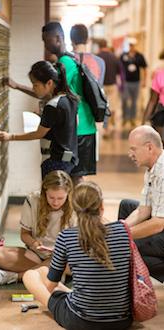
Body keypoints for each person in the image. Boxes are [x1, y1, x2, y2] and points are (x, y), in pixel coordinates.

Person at [23, 181, 132, 330]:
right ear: (101, 206)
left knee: (30, 276)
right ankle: (75, 294)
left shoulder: (66, 237)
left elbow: (50, 286)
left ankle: (72, 296)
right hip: (122, 320)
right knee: (43, 271)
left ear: (74, 208)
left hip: (80, 320)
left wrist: (50, 297)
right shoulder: (123, 231)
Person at [0, 170, 77, 285]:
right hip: (35, 255)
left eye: (60, 198)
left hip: (62, 258)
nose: (55, 202)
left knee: (72, 262)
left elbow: (77, 244)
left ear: (68, 194)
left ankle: (16, 276)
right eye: (51, 197)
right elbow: (24, 234)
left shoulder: (75, 206)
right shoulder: (32, 200)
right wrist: (34, 243)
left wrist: (61, 250)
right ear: (44, 192)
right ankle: (52, 274)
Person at [0, 60, 78, 179]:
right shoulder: (70, 99)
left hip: (54, 161)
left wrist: (11, 137)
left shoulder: (52, 105)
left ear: (49, 83)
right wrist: (18, 86)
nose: (34, 88)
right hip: (69, 159)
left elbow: (39, 133)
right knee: (61, 195)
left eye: (36, 85)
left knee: (50, 196)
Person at [42, 22, 99, 184]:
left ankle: (81, 208)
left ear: (58, 38)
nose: (45, 45)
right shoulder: (67, 60)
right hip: (80, 126)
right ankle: (75, 208)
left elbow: (48, 91)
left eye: (47, 40)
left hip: (79, 129)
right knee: (73, 175)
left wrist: (17, 86)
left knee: (76, 176)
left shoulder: (65, 63)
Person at [118, 125, 164, 283]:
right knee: (127, 205)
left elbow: (158, 224)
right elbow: (143, 210)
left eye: (133, 149)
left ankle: (126, 276)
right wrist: (119, 228)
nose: (130, 154)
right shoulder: (152, 168)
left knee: (126, 247)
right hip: (161, 224)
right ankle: (128, 274)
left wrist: (121, 237)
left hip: (162, 226)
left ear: (149, 147)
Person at [120, 38, 148, 127]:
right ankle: (125, 118)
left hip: (136, 82)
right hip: (126, 82)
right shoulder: (124, 55)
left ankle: (132, 118)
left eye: (133, 45)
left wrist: (144, 81)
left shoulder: (140, 56)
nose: (131, 47)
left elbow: (144, 68)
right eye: (130, 45)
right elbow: (120, 68)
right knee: (125, 100)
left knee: (134, 101)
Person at [98, 39, 122, 137]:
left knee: (103, 107)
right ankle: (111, 126)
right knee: (112, 107)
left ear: (99, 47)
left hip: (101, 86)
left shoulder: (97, 57)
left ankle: (106, 127)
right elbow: (119, 71)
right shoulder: (114, 57)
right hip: (112, 85)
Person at [142, 49, 164, 145]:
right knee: (160, 141)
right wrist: (144, 122)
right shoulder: (159, 75)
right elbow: (152, 101)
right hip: (162, 112)